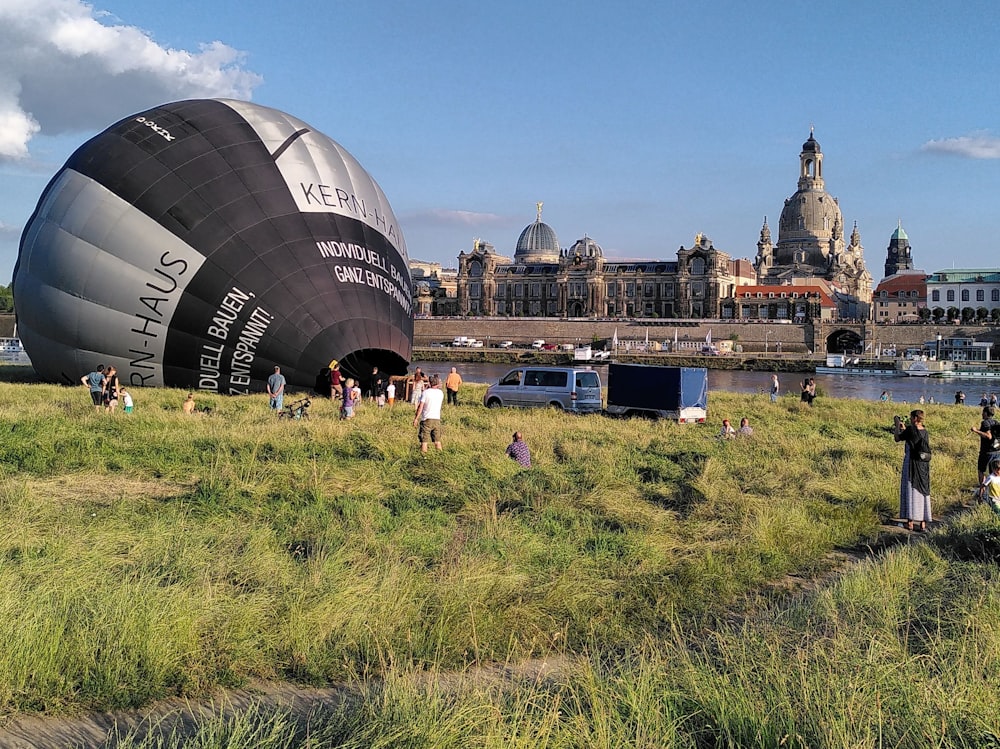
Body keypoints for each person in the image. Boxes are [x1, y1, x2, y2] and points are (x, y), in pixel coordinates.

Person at [894, 409, 932, 532]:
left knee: (910, 488)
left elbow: (897, 438)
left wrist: (897, 426)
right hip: (923, 465)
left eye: (911, 417)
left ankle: (910, 522)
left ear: (915, 418)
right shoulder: (925, 431)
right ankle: (922, 524)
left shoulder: (910, 430)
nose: (910, 419)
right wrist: (905, 428)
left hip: (911, 463)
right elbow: (915, 438)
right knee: (923, 490)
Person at [971, 406, 1000, 495]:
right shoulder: (996, 422)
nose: (982, 414)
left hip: (987, 452)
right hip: (997, 451)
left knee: (981, 471)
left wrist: (976, 431)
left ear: (986, 413)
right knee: (994, 473)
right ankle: (994, 493)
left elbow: (988, 436)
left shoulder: (985, 423)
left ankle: (982, 493)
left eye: (983, 412)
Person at [413, 374, 444, 453]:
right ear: (437, 383)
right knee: (437, 441)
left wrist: (416, 418)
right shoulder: (441, 393)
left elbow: (421, 407)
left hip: (426, 419)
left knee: (424, 441)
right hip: (437, 419)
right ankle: (440, 456)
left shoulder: (426, 393)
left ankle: (424, 457)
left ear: (429, 383)